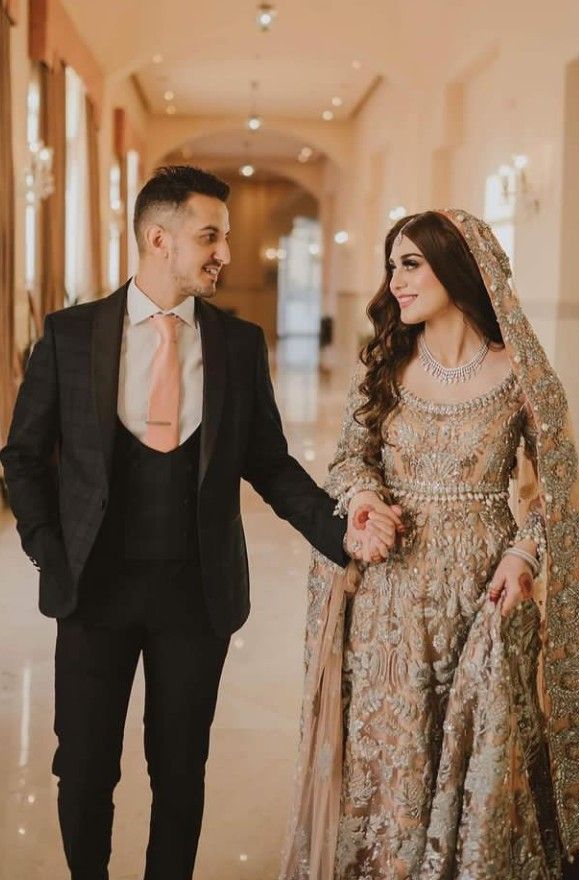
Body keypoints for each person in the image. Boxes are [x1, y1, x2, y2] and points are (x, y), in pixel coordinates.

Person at [0, 164, 401, 880]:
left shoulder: (237, 345)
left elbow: (270, 463)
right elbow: (23, 458)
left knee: (180, 771)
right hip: (91, 591)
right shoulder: (67, 336)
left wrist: (337, 529)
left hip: (197, 593)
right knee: (85, 771)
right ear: (159, 238)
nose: (225, 252)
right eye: (209, 236)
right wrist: (47, 553)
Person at [280, 210, 579, 879]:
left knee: (474, 758)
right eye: (391, 266)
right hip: (388, 603)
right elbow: (349, 459)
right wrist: (365, 500)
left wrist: (522, 555)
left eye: (410, 264)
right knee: (394, 755)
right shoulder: (384, 363)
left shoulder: (521, 375)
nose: (395, 281)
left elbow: (553, 494)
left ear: (457, 269)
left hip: (482, 598)